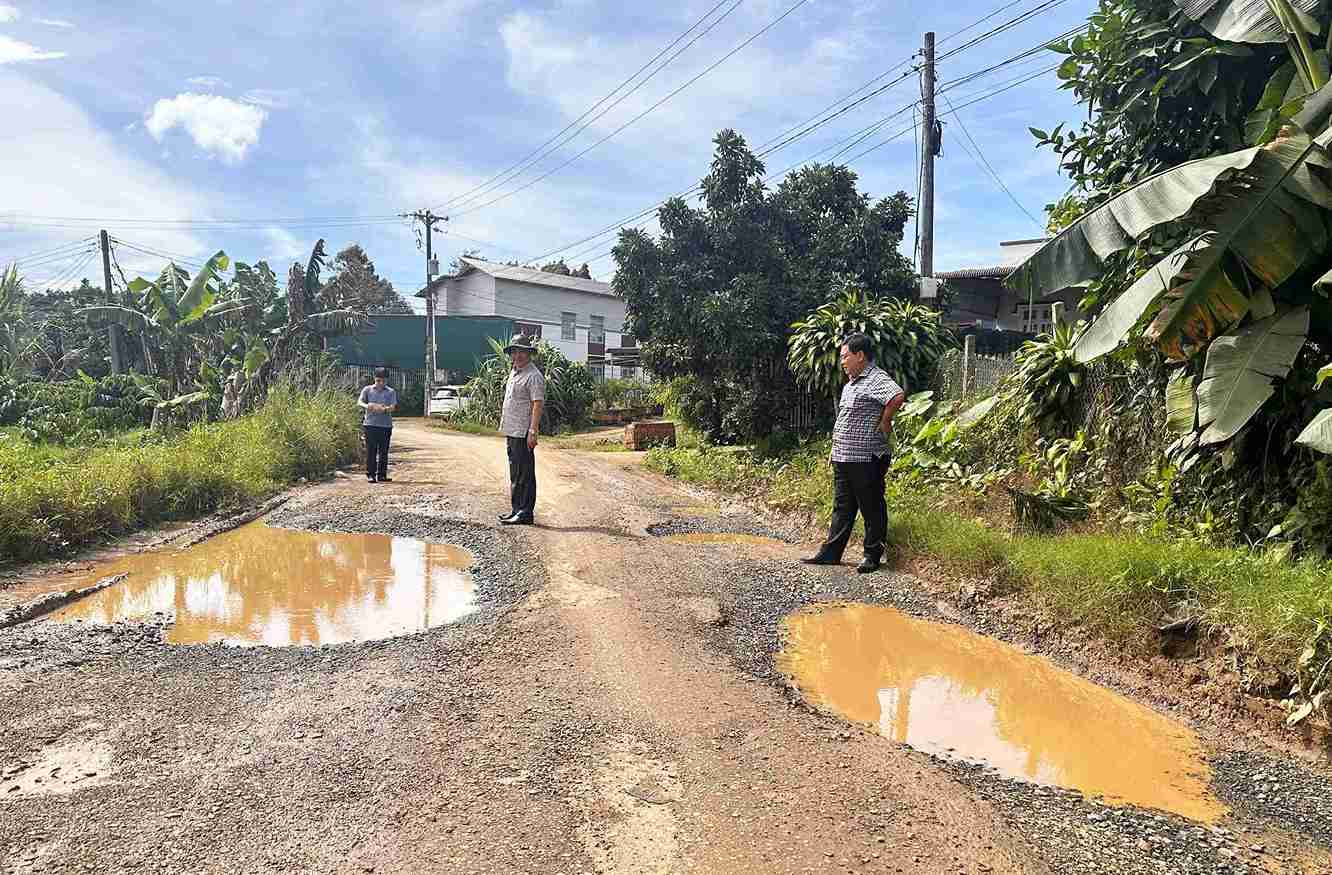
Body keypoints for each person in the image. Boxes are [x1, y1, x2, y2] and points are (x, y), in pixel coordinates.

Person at [801, 332, 905, 573]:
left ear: (860, 356)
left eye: (845, 356)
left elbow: (897, 395)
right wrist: (835, 450)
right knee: (842, 506)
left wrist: (886, 421)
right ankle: (831, 553)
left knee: (871, 506)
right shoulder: (851, 383)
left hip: (867, 456)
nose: (842, 361)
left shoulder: (876, 378)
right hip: (844, 456)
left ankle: (872, 555)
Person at [497, 336, 545, 525]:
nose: (517, 355)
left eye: (521, 351)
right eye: (514, 352)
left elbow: (537, 404)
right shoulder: (515, 372)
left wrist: (533, 430)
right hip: (512, 429)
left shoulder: (533, 376)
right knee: (515, 472)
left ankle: (525, 512)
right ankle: (516, 509)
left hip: (524, 431)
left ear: (529, 354)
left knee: (525, 473)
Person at [358, 368, 398, 483]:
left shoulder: (391, 392)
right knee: (371, 450)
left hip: (385, 425)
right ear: (375, 379)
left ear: (386, 380)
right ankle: (370, 474)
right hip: (370, 425)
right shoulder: (367, 390)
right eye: (378, 380)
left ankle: (382, 475)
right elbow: (360, 402)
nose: (381, 383)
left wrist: (385, 409)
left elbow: (393, 406)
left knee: (383, 451)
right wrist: (368, 406)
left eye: (383, 381)